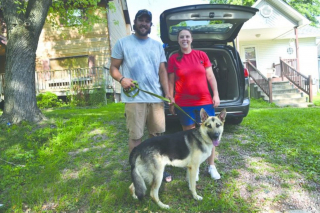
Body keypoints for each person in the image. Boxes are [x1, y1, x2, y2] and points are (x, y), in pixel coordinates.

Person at [109, 9, 174, 182]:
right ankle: (136, 171)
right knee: (136, 137)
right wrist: (122, 79)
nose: (144, 23)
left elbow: (162, 70)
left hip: (156, 98)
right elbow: (113, 68)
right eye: (141, 20)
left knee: (157, 137)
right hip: (134, 99)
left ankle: (158, 169)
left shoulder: (157, 45)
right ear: (135, 22)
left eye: (147, 21)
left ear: (150, 24)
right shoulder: (122, 43)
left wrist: (167, 93)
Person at [167, 29, 221, 180]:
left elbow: (210, 76)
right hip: (184, 103)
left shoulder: (201, 55)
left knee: (210, 134)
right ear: (178, 40)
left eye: (187, 36)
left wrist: (215, 94)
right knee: (190, 136)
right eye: (181, 37)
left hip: (204, 101)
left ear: (191, 39)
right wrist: (171, 99)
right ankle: (194, 167)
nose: (185, 39)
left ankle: (211, 166)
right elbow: (170, 81)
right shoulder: (173, 58)